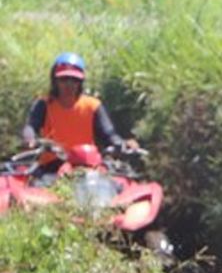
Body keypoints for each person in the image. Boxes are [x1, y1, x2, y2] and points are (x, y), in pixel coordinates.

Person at [22, 52, 138, 180]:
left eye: (75, 80)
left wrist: (121, 143)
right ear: (55, 81)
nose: (69, 84)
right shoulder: (44, 104)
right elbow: (31, 126)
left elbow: (109, 134)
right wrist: (30, 139)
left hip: (88, 166)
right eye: (64, 79)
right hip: (52, 167)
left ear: (80, 82)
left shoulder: (93, 105)